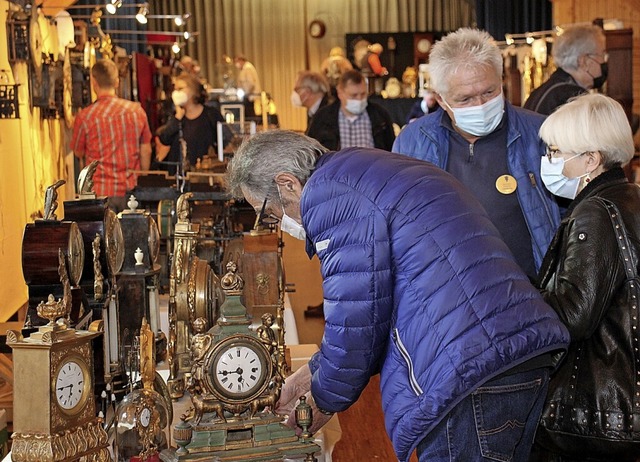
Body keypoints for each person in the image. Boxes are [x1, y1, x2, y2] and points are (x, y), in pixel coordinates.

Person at [226, 130, 569, 462]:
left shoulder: (331, 196)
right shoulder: (358, 170)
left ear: (288, 183)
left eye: (269, 212)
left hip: (468, 369)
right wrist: (309, 374)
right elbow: (375, 305)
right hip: (504, 353)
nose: (277, 222)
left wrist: (322, 400)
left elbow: (356, 319)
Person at [393, 28, 560, 281]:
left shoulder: (540, 134)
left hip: (531, 291)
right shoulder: (413, 142)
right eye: (465, 99)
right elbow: (399, 223)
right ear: (441, 99)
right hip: (448, 295)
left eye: (489, 92)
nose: (480, 105)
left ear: (501, 81)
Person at [531, 94, 640, 461]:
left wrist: (518, 293)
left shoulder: (595, 212)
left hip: (593, 412)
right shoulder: (630, 197)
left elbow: (574, 313)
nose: (550, 161)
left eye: (557, 152)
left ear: (591, 160)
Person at [71, 58, 152, 211]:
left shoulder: (85, 117)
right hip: (130, 191)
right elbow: (146, 150)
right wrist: (142, 178)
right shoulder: (136, 111)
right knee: (131, 233)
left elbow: (78, 151)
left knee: (101, 235)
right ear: (116, 82)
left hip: (99, 193)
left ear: (93, 82)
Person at [523, 24, 607, 115]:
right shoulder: (574, 98)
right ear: (584, 61)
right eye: (602, 55)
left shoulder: (539, 92)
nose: (605, 60)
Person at [307, 69, 395, 151]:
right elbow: (311, 150)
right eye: (354, 95)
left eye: (363, 94)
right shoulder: (322, 118)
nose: (359, 99)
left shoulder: (380, 115)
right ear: (340, 93)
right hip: (336, 167)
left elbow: (391, 149)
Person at [157, 73, 227, 174]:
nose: (176, 93)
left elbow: (225, 140)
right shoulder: (176, 117)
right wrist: (177, 117)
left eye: (180, 88)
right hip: (179, 177)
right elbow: (165, 139)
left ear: (193, 91)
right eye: (175, 89)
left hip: (204, 175)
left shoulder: (210, 115)